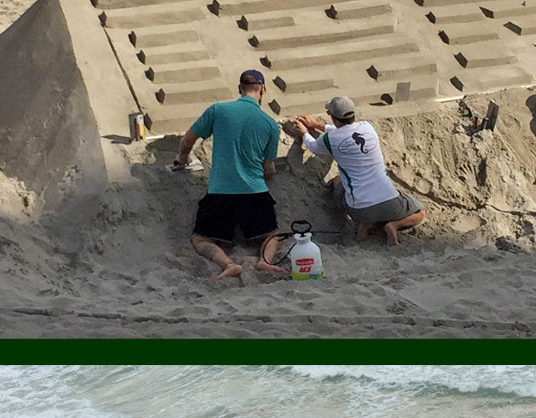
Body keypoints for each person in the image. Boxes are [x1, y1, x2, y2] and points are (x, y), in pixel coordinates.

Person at [174, 68, 285, 278]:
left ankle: (227, 264)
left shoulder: (218, 110)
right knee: (270, 235)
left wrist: (182, 159)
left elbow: (187, 140)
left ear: (239, 88)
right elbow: (268, 168)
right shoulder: (270, 124)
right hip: (255, 192)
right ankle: (265, 261)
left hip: (220, 193)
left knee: (201, 239)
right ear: (263, 90)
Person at [288, 96, 425, 246]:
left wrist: (304, 132)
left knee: (338, 181)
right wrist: (317, 125)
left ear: (333, 117)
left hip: (359, 209)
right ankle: (393, 225)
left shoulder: (330, 138)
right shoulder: (368, 126)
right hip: (389, 203)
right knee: (420, 212)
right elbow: (345, 132)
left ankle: (363, 225)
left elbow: (314, 146)